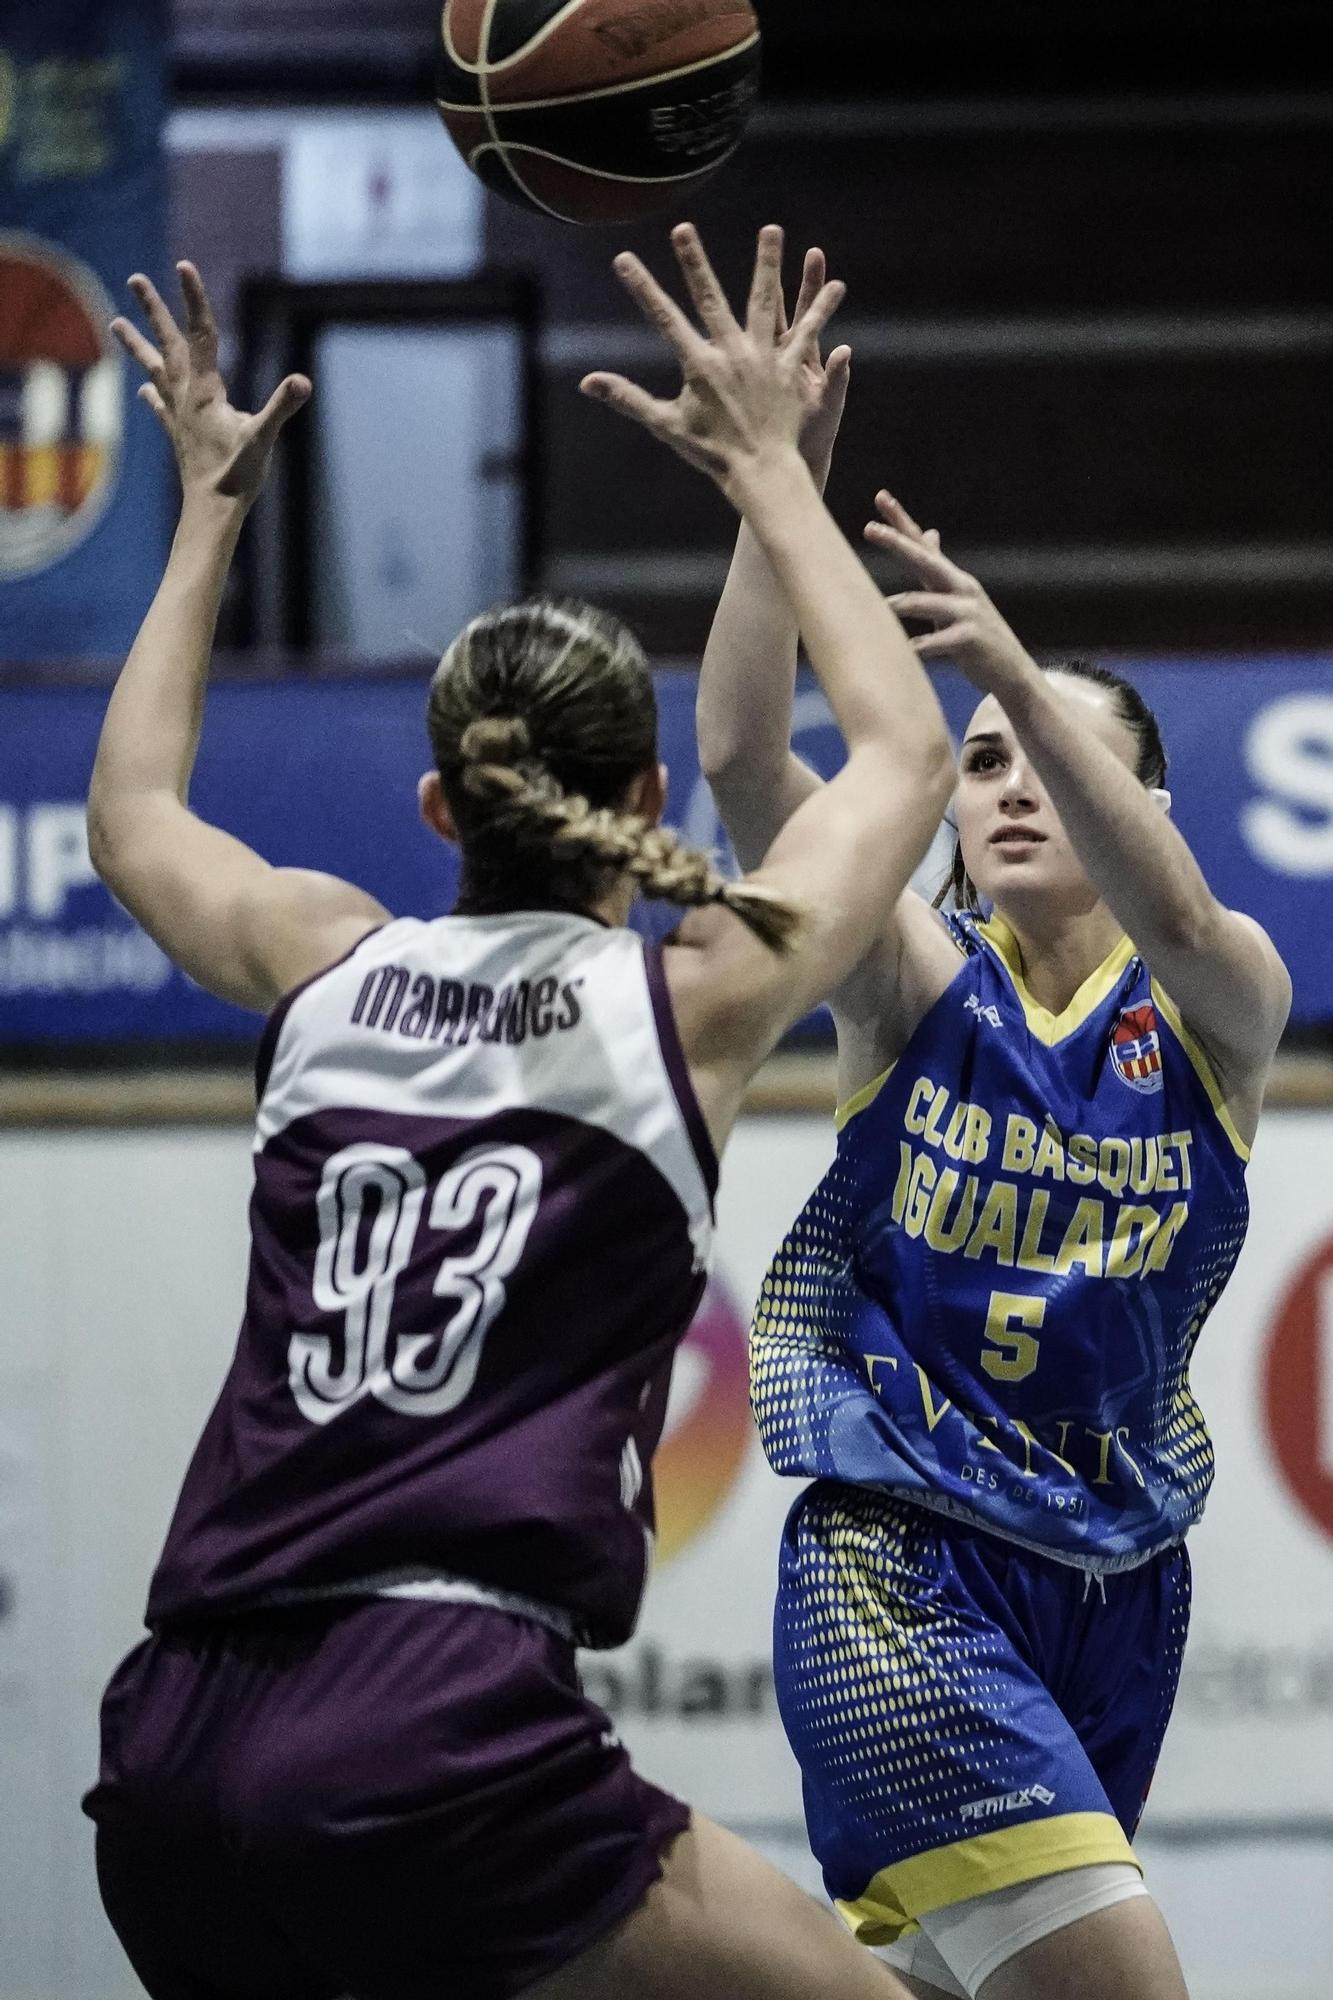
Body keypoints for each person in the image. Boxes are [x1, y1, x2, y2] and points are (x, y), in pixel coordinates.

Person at [80, 227, 956, 2000]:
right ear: (644, 795)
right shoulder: (688, 997)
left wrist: (206, 519)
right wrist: (771, 469)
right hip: (433, 1731)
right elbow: (904, 758)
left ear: (430, 803)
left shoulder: (320, 964)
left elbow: (134, 817)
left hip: (170, 1741)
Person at [696, 248, 1292, 2000]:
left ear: (1130, 802)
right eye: (975, 764)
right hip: (899, 1565)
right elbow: (740, 757)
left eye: (1043, 757)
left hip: (1114, 1582)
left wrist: (1020, 674)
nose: (1008, 783)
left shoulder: (1216, 997)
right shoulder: (906, 976)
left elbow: (1176, 914)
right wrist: (768, 483)